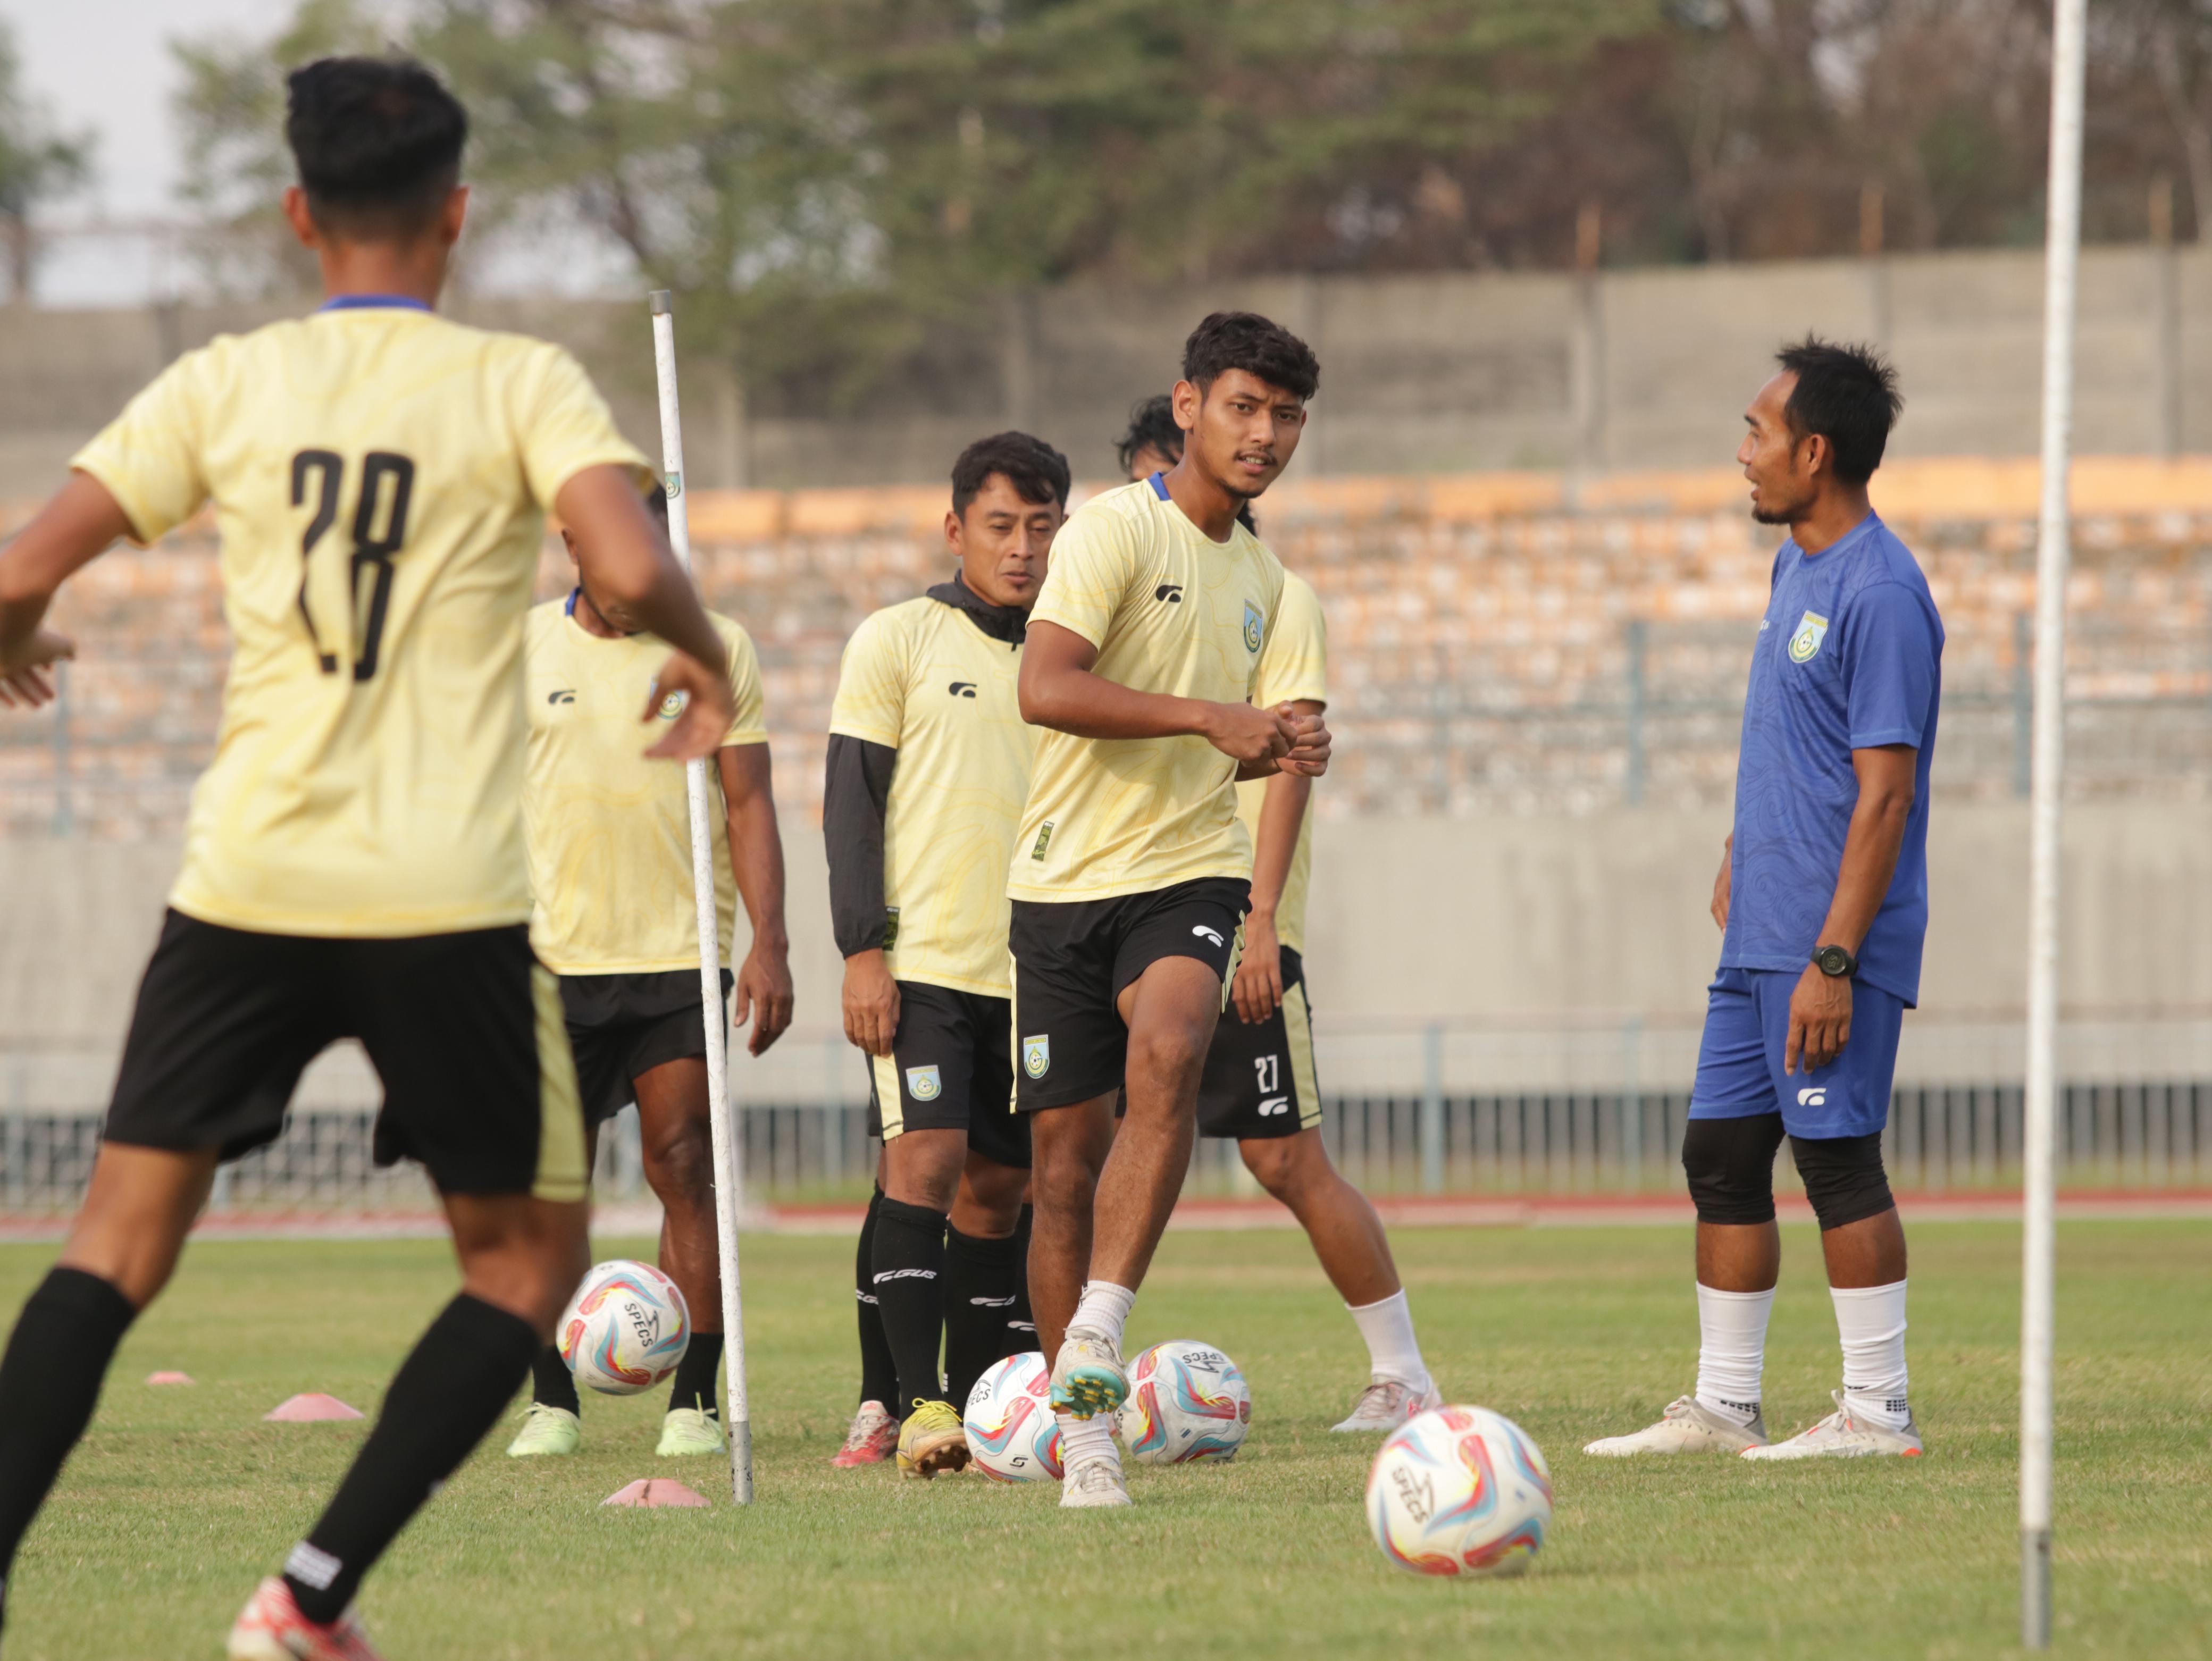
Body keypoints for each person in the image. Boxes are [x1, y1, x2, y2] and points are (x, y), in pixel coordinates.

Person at [0, 57, 736, 1661]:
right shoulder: (519, 383)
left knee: (114, 1246)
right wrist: (699, 651)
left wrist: (16, 633)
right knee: (527, 1262)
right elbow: (626, 559)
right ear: (457, 215)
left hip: (246, 882)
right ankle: (307, 1594)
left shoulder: (229, 381)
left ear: (297, 213)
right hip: (444, 902)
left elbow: (15, 569)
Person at [1584, 338, 1939, 1463]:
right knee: (1722, 1155)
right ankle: (1724, 1406)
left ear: (1814, 451)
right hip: (1759, 933)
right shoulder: (1796, 566)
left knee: (1836, 1159)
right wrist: (1743, 846)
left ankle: (1877, 1412)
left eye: (1757, 432)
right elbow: (1802, 739)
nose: (1743, 454)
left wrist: (1834, 959)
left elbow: (1886, 795)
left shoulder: (1882, 592)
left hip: (1825, 945)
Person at [1013, 312, 1332, 1509]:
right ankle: (1083, 1431)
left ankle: (1099, 1329)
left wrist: (1285, 745)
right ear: (1189, 404)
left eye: (1286, 417)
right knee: (1061, 1171)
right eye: (1244, 407)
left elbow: (1266, 740)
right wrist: (1214, 719)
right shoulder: (1112, 529)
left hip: (1191, 868)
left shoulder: (1268, 582)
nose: (1265, 436)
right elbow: (1044, 686)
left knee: (1173, 1044)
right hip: (1060, 880)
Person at [1110, 409, 1438, 1431]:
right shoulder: (1125, 576)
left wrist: (1262, 924)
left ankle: (1403, 1373)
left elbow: (1291, 765)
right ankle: (1059, 1380)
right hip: (1123, 898)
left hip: (1231, 913)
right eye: (1144, 483)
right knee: (1071, 1149)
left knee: (1284, 1157)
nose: (1159, 502)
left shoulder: (1276, 595)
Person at [505, 484, 792, 1462]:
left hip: (679, 956)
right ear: (572, 544)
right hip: (553, 963)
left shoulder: (712, 648)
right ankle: (551, 1401)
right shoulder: (522, 650)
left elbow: (748, 803)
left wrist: (770, 943)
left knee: (683, 1166)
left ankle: (696, 1403)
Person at [825, 432, 1068, 1477]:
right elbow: (850, 804)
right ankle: (909, 1401)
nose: (1022, 549)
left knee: (999, 1192)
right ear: (955, 529)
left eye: (1041, 528)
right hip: (922, 963)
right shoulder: (897, 639)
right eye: (1001, 526)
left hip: (1037, 970)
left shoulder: (1073, 656)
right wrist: (861, 950)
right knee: (922, 1163)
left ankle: (977, 1413)